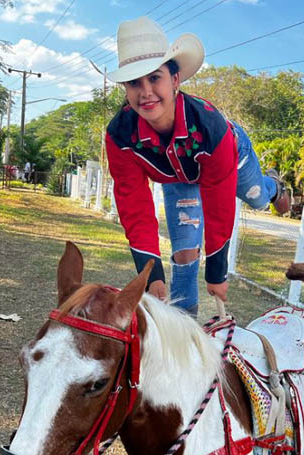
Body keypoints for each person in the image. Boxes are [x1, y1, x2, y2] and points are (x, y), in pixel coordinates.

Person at [105, 16, 291, 317]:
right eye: (134, 83)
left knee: (256, 198)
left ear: (175, 80)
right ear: (125, 88)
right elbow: (134, 207)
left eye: (155, 78)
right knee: (185, 254)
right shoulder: (119, 136)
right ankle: (185, 328)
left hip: (227, 154)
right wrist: (151, 277)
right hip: (177, 175)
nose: (146, 92)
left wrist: (217, 274)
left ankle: (274, 186)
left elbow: (219, 205)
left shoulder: (209, 128)